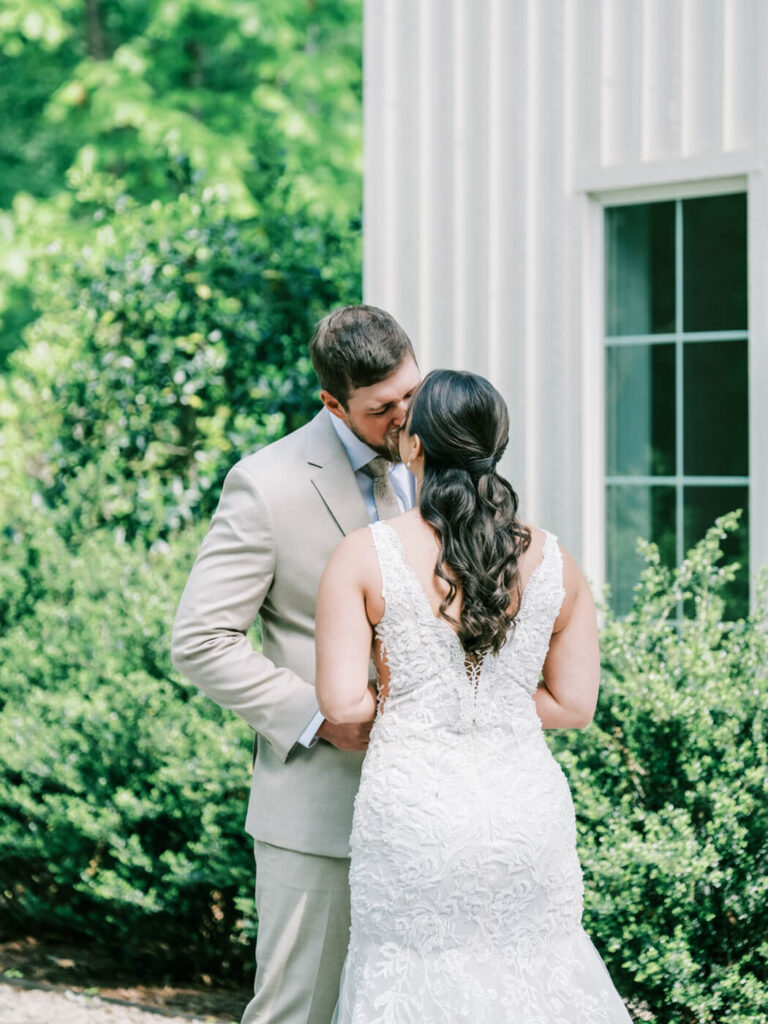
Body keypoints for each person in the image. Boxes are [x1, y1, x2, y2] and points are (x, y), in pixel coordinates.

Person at [315, 369, 633, 1022]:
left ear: (414, 446)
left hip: (413, 816)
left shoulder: (362, 556)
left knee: (408, 980)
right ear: (497, 447)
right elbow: (574, 706)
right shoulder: (555, 562)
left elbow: (344, 706)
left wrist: (418, 713)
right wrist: (498, 711)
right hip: (526, 813)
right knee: (540, 976)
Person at [171, 305, 421, 1024]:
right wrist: (319, 717)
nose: (406, 418)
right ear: (332, 403)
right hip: (320, 807)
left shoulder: (441, 460)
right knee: (297, 1012)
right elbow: (201, 637)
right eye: (382, 409)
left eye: (411, 392)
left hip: (437, 805)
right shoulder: (267, 484)